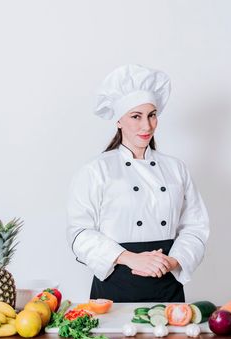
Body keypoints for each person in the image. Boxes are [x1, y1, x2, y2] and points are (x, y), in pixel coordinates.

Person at [66, 64, 209, 302]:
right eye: (136, 116)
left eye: (152, 115)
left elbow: (195, 227)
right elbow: (79, 233)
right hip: (115, 285)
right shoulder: (96, 170)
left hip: (167, 283)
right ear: (119, 121)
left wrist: (172, 261)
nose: (147, 126)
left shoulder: (176, 169)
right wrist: (130, 258)